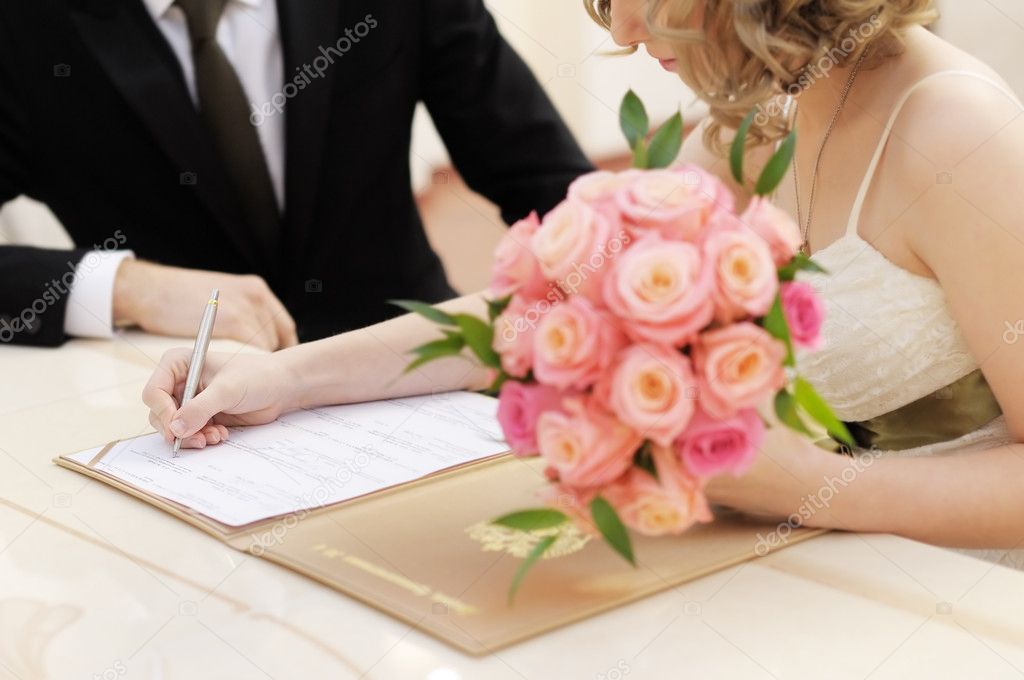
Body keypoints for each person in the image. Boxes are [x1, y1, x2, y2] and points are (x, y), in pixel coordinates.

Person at [143, 0, 1024, 567]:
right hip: (795, 565)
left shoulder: (954, 132)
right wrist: (285, 379)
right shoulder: (748, 121)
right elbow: (542, 315)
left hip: (949, 590)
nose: (622, 33)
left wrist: (803, 488)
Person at [0, 0, 591, 348]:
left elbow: (552, 186)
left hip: (407, 373)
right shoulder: (23, 28)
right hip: (173, 415)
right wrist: (131, 288)